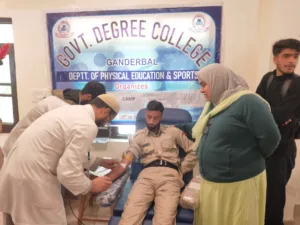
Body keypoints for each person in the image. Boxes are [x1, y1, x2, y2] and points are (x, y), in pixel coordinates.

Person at [176, 64, 281, 225]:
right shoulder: (215, 105)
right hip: (213, 183)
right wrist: (182, 127)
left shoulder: (248, 102)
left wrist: (249, 158)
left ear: (218, 80)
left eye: (204, 84)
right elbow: (205, 129)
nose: (201, 90)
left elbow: (272, 137)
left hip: (239, 185)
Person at [0, 94, 120, 225]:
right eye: (108, 120)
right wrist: (91, 186)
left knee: (19, 218)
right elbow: (67, 172)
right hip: (32, 177)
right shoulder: (88, 125)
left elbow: (65, 148)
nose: (106, 123)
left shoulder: (70, 111)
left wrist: (99, 161)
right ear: (106, 111)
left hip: (16, 167)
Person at [103, 100, 197, 225]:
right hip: (146, 176)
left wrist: (182, 169)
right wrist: (125, 158)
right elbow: (131, 152)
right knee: (129, 217)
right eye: (149, 117)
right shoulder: (139, 136)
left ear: (161, 117)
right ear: (146, 115)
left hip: (170, 177)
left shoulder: (173, 132)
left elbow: (194, 150)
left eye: (155, 118)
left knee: (165, 220)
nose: (151, 121)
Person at [256, 38, 300, 225]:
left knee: (275, 199)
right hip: (263, 147)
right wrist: (272, 115)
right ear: (275, 59)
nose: (292, 61)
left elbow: (281, 115)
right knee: (261, 195)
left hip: (283, 149)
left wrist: (271, 114)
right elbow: (256, 107)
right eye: (286, 56)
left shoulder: (297, 83)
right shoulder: (268, 78)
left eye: (295, 56)